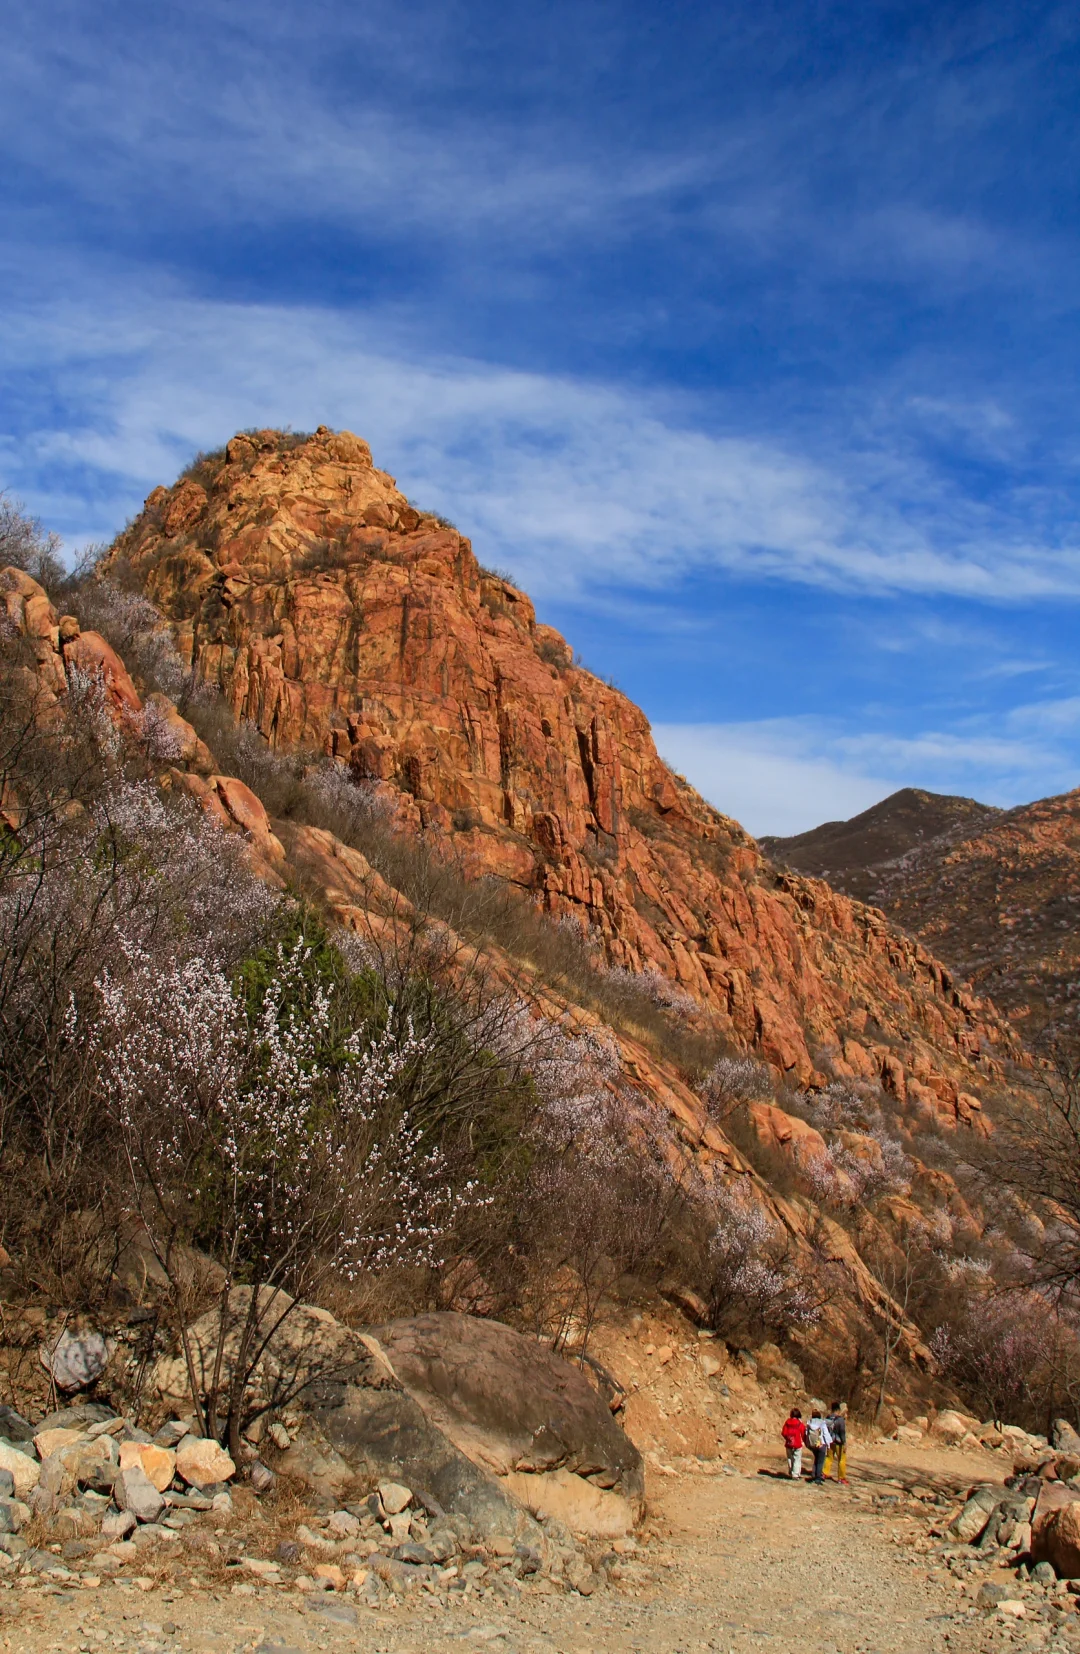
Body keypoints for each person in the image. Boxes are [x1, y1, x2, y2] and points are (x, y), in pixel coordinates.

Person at [804, 1407, 832, 1484]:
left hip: (813, 1444)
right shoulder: (822, 1423)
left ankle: (814, 1475)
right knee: (820, 1461)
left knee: (816, 1459)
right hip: (821, 1444)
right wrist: (829, 1444)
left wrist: (807, 1444)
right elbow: (826, 1434)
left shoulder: (809, 1423)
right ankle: (818, 1478)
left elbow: (806, 1434)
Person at [825, 1401, 848, 1484]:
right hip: (839, 1443)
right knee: (841, 1459)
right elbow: (842, 1432)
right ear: (838, 1410)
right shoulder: (840, 1420)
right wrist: (844, 1443)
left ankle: (824, 1473)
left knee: (828, 1458)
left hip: (830, 1442)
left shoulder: (827, 1418)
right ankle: (841, 1478)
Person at [781, 1407, 806, 1479]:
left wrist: (788, 1439)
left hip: (788, 1444)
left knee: (790, 1458)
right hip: (797, 1444)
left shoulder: (787, 1422)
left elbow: (783, 1432)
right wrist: (804, 1441)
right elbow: (803, 1433)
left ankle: (791, 1471)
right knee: (797, 1459)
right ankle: (795, 1474)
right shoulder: (799, 1423)